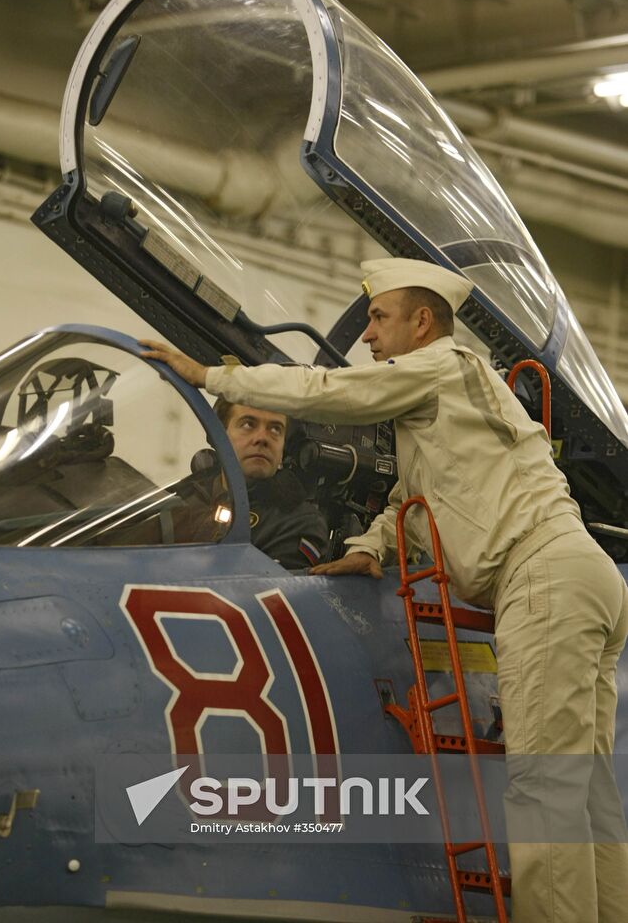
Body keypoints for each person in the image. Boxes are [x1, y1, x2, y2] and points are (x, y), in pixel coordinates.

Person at [141, 257, 628, 923]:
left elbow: (329, 391)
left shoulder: (440, 366)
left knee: (544, 790)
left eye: (378, 317)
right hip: (581, 577)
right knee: (586, 793)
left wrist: (211, 376)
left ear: (420, 321)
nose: (367, 336)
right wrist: (370, 549)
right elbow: (415, 499)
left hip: (541, 579)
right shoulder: (453, 399)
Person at [170, 397, 329, 570]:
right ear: (218, 436)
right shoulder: (182, 498)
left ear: (284, 448)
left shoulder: (299, 522)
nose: (262, 438)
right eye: (248, 424)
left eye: (275, 429)